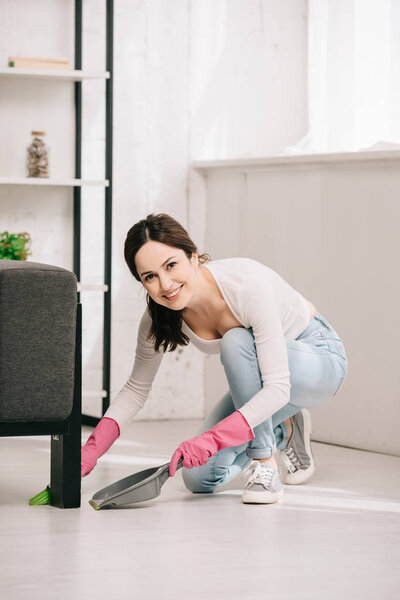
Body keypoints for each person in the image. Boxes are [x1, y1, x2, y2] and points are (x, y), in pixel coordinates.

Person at [81, 213, 348, 504]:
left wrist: (213, 439)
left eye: (171, 265)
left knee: (236, 340)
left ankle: (264, 460)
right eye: (150, 277)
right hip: (272, 381)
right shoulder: (158, 317)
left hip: (318, 362)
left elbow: (277, 387)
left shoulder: (246, 286)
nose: (166, 284)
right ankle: (283, 428)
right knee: (198, 477)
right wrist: (90, 451)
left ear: (193, 256)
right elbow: (135, 390)